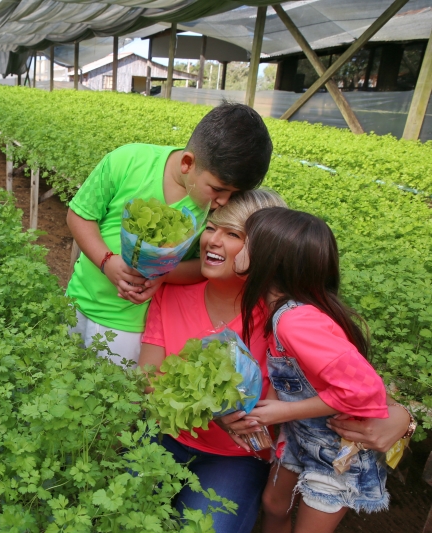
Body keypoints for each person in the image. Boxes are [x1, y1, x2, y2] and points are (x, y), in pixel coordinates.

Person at [67, 102, 273, 365]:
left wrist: (162, 275)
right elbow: (80, 215)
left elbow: (203, 266)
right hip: (78, 298)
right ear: (187, 163)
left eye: (234, 193)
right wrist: (106, 261)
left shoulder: (216, 211)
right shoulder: (128, 161)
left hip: (131, 324)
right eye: (218, 189)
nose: (223, 201)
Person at [139, 189, 287, 533]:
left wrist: (400, 417)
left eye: (232, 234)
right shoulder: (172, 293)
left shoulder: (280, 315)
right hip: (166, 438)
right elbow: (148, 379)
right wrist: (212, 411)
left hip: (235, 458)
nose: (212, 241)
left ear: (265, 248)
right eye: (211, 228)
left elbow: (340, 378)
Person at [237, 208, 394, 533]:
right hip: (301, 436)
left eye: (244, 241)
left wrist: (284, 411)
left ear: (268, 260)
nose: (237, 248)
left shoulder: (296, 322)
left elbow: (364, 391)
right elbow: (290, 372)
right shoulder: (281, 312)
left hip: (337, 450)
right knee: (273, 504)